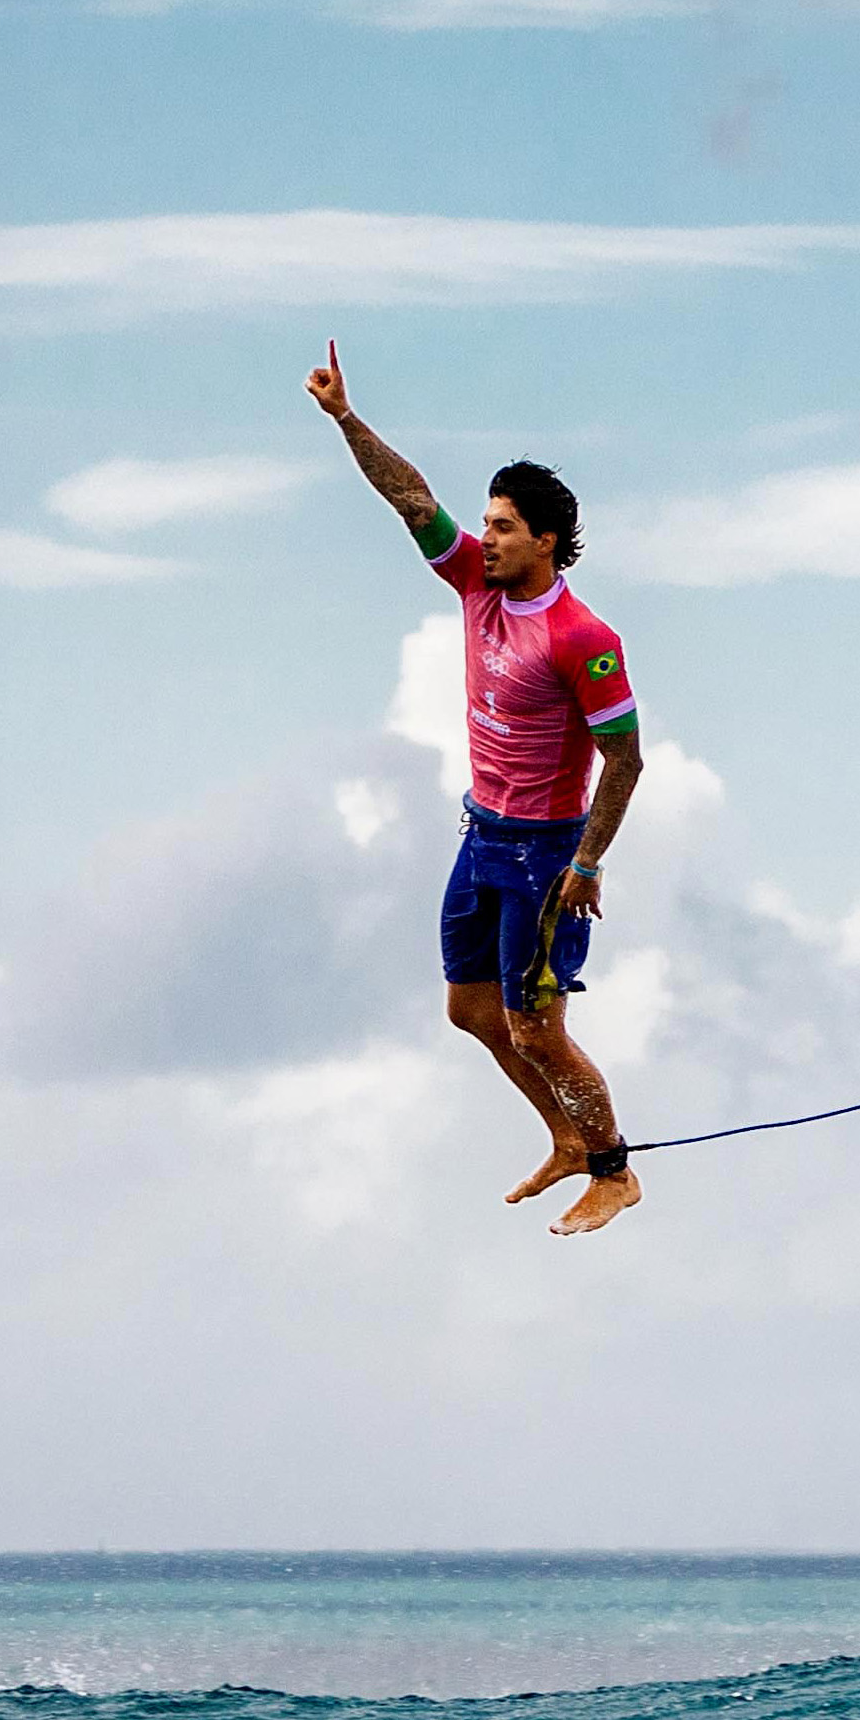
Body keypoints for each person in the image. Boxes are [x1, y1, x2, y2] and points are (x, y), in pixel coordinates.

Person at [311, 344, 647, 1236]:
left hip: (545, 854)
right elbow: (412, 500)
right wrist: (347, 419)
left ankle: (613, 1168)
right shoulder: (475, 584)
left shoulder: (583, 637)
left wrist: (588, 861)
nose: (484, 536)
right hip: (480, 834)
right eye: (486, 523)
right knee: (470, 1011)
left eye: (502, 526)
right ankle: (566, 1139)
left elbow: (627, 760)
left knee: (538, 1027)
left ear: (543, 539)